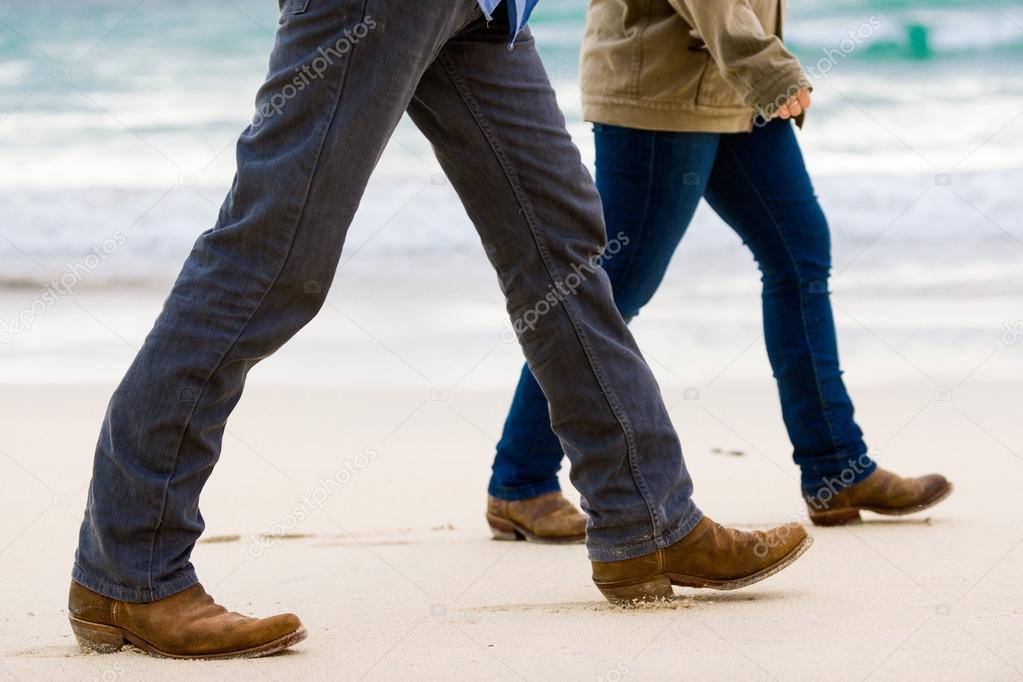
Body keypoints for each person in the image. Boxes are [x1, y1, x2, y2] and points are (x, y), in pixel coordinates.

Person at [68, 0, 814, 661]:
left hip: (491, 15)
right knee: (272, 259)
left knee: (560, 250)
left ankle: (648, 519)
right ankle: (130, 569)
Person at [486, 0, 952, 543]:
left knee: (798, 254)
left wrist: (756, 67)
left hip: (735, 88)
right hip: (661, 91)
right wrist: (767, 66)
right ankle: (521, 482)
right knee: (615, 286)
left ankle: (836, 469)